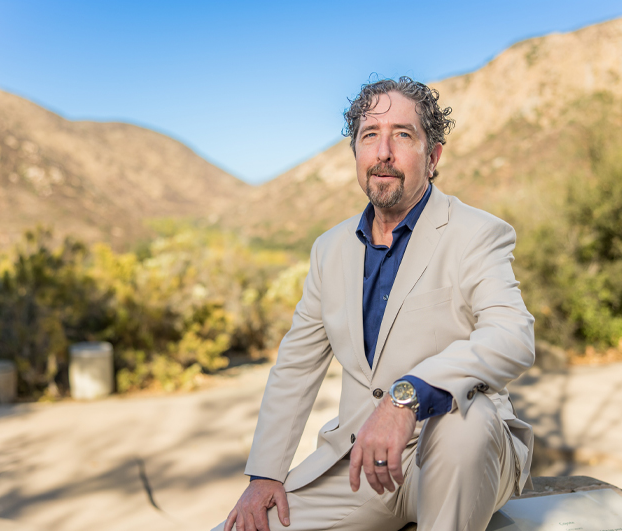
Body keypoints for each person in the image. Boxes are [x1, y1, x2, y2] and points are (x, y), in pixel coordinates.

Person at [215, 77, 536, 531]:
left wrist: (404, 399)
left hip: (460, 456)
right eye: (370, 136)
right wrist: (266, 472)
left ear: (433, 155)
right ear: (356, 154)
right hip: (363, 464)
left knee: (468, 418)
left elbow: (513, 337)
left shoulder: (477, 233)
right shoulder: (329, 250)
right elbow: (296, 366)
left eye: (403, 135)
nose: (384, 151)